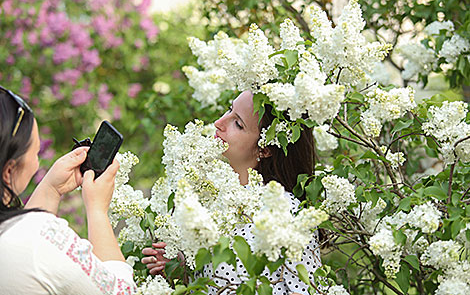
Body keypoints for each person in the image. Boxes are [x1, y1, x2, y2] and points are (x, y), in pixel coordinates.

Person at [142, 90, 321, 295]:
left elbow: (305, 290)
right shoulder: (210, 197)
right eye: (229, 109)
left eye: (238, 123)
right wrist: (179, 268)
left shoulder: (285, 211)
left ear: (265, 149)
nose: (219, 122)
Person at [0, 86, 136, 295]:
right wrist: (97, 210)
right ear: (9, 170)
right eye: (35, 153)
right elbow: (122, 292)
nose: (37, 162)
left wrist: (51, 189)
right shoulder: (39, 237)